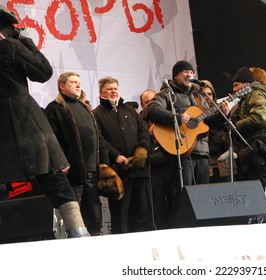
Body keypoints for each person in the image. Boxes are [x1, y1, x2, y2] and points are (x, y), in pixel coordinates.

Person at [0, 5, 89, 237]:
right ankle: (77, 230)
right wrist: (26, 41)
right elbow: (43, 71)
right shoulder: (9, 47)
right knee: (50, 173)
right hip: (23, 119)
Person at [146, 60, 230, 224]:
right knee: (183, 198)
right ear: (176, 76)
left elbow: (208, 122)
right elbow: (152, 110)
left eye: (191, 72)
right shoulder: (166, 93)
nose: (189, 74)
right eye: (184, 71)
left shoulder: (199, 96)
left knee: (204, 198)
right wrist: (177, 118)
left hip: (203, 153)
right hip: (182, 154)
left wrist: (223, 114)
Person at [45, 72, 109, 235]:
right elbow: (50, 140)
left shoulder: (85, 108)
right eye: (73, 82)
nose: (78, 85)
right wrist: (59, 162)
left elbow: (98, 138)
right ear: (62, 86)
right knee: (75, 220)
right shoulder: (55, 108)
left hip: (92, 173)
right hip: (72, 174)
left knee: (95, 217)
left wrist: (104, 163)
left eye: (79, 82)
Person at [93, 76, 153, 233]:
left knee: (142, 213)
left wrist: (142, 149)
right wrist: (115, 155)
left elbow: (144, 131)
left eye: (115, 88)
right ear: (101, 92)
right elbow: (99, 139)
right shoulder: (96, 114)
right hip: (118, 173)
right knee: (121, 217)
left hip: (139, 171)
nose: (113, 91)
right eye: (109, 89)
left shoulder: (130, 110)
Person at [229, 67, 266, 189]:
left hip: (264, 151)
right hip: (265, 150)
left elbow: (259, 119)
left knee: (257, 197)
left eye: (236, 85)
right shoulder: (252, 95)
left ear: (246, 84)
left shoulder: (256, 93)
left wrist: (236, 124)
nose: (234, 89)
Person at [199, 80, 237, 183]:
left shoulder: (221, 110)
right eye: (203, 94)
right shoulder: (195, 114)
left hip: (224, 161)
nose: (207, 97)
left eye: (209, 94)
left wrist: (226, 115)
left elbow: (232, 132)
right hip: (207, 163)